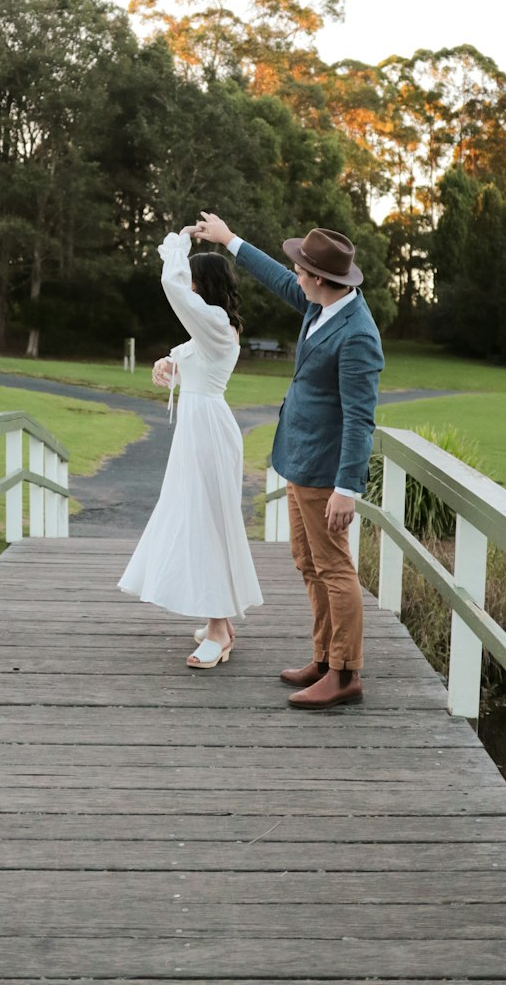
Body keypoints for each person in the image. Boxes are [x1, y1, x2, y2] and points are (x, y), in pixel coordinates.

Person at [194, 212, 383, 708]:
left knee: (335, 569)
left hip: (326, 471)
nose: (294, 272)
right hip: (298, 459)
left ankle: (345, 675)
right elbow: (275, 277)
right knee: (308, 564)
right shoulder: (322, 304)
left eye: (301, 268)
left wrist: (348, 487)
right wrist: (229, 239)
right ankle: (324, 658)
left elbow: (360, 418)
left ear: (321, 278)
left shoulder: (358, 334)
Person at [118, 227, 262, 667]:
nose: (189, 288)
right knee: (196, 516)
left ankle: (219, 630)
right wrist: (168, 362)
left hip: (208, 432)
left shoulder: (217, 324)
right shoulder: (212, 329)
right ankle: (221, 621)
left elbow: (170, 286)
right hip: (197, 428)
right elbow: (185, 356)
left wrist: (178, 244)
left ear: (203, 285)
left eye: (193, 282)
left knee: (207, 521)